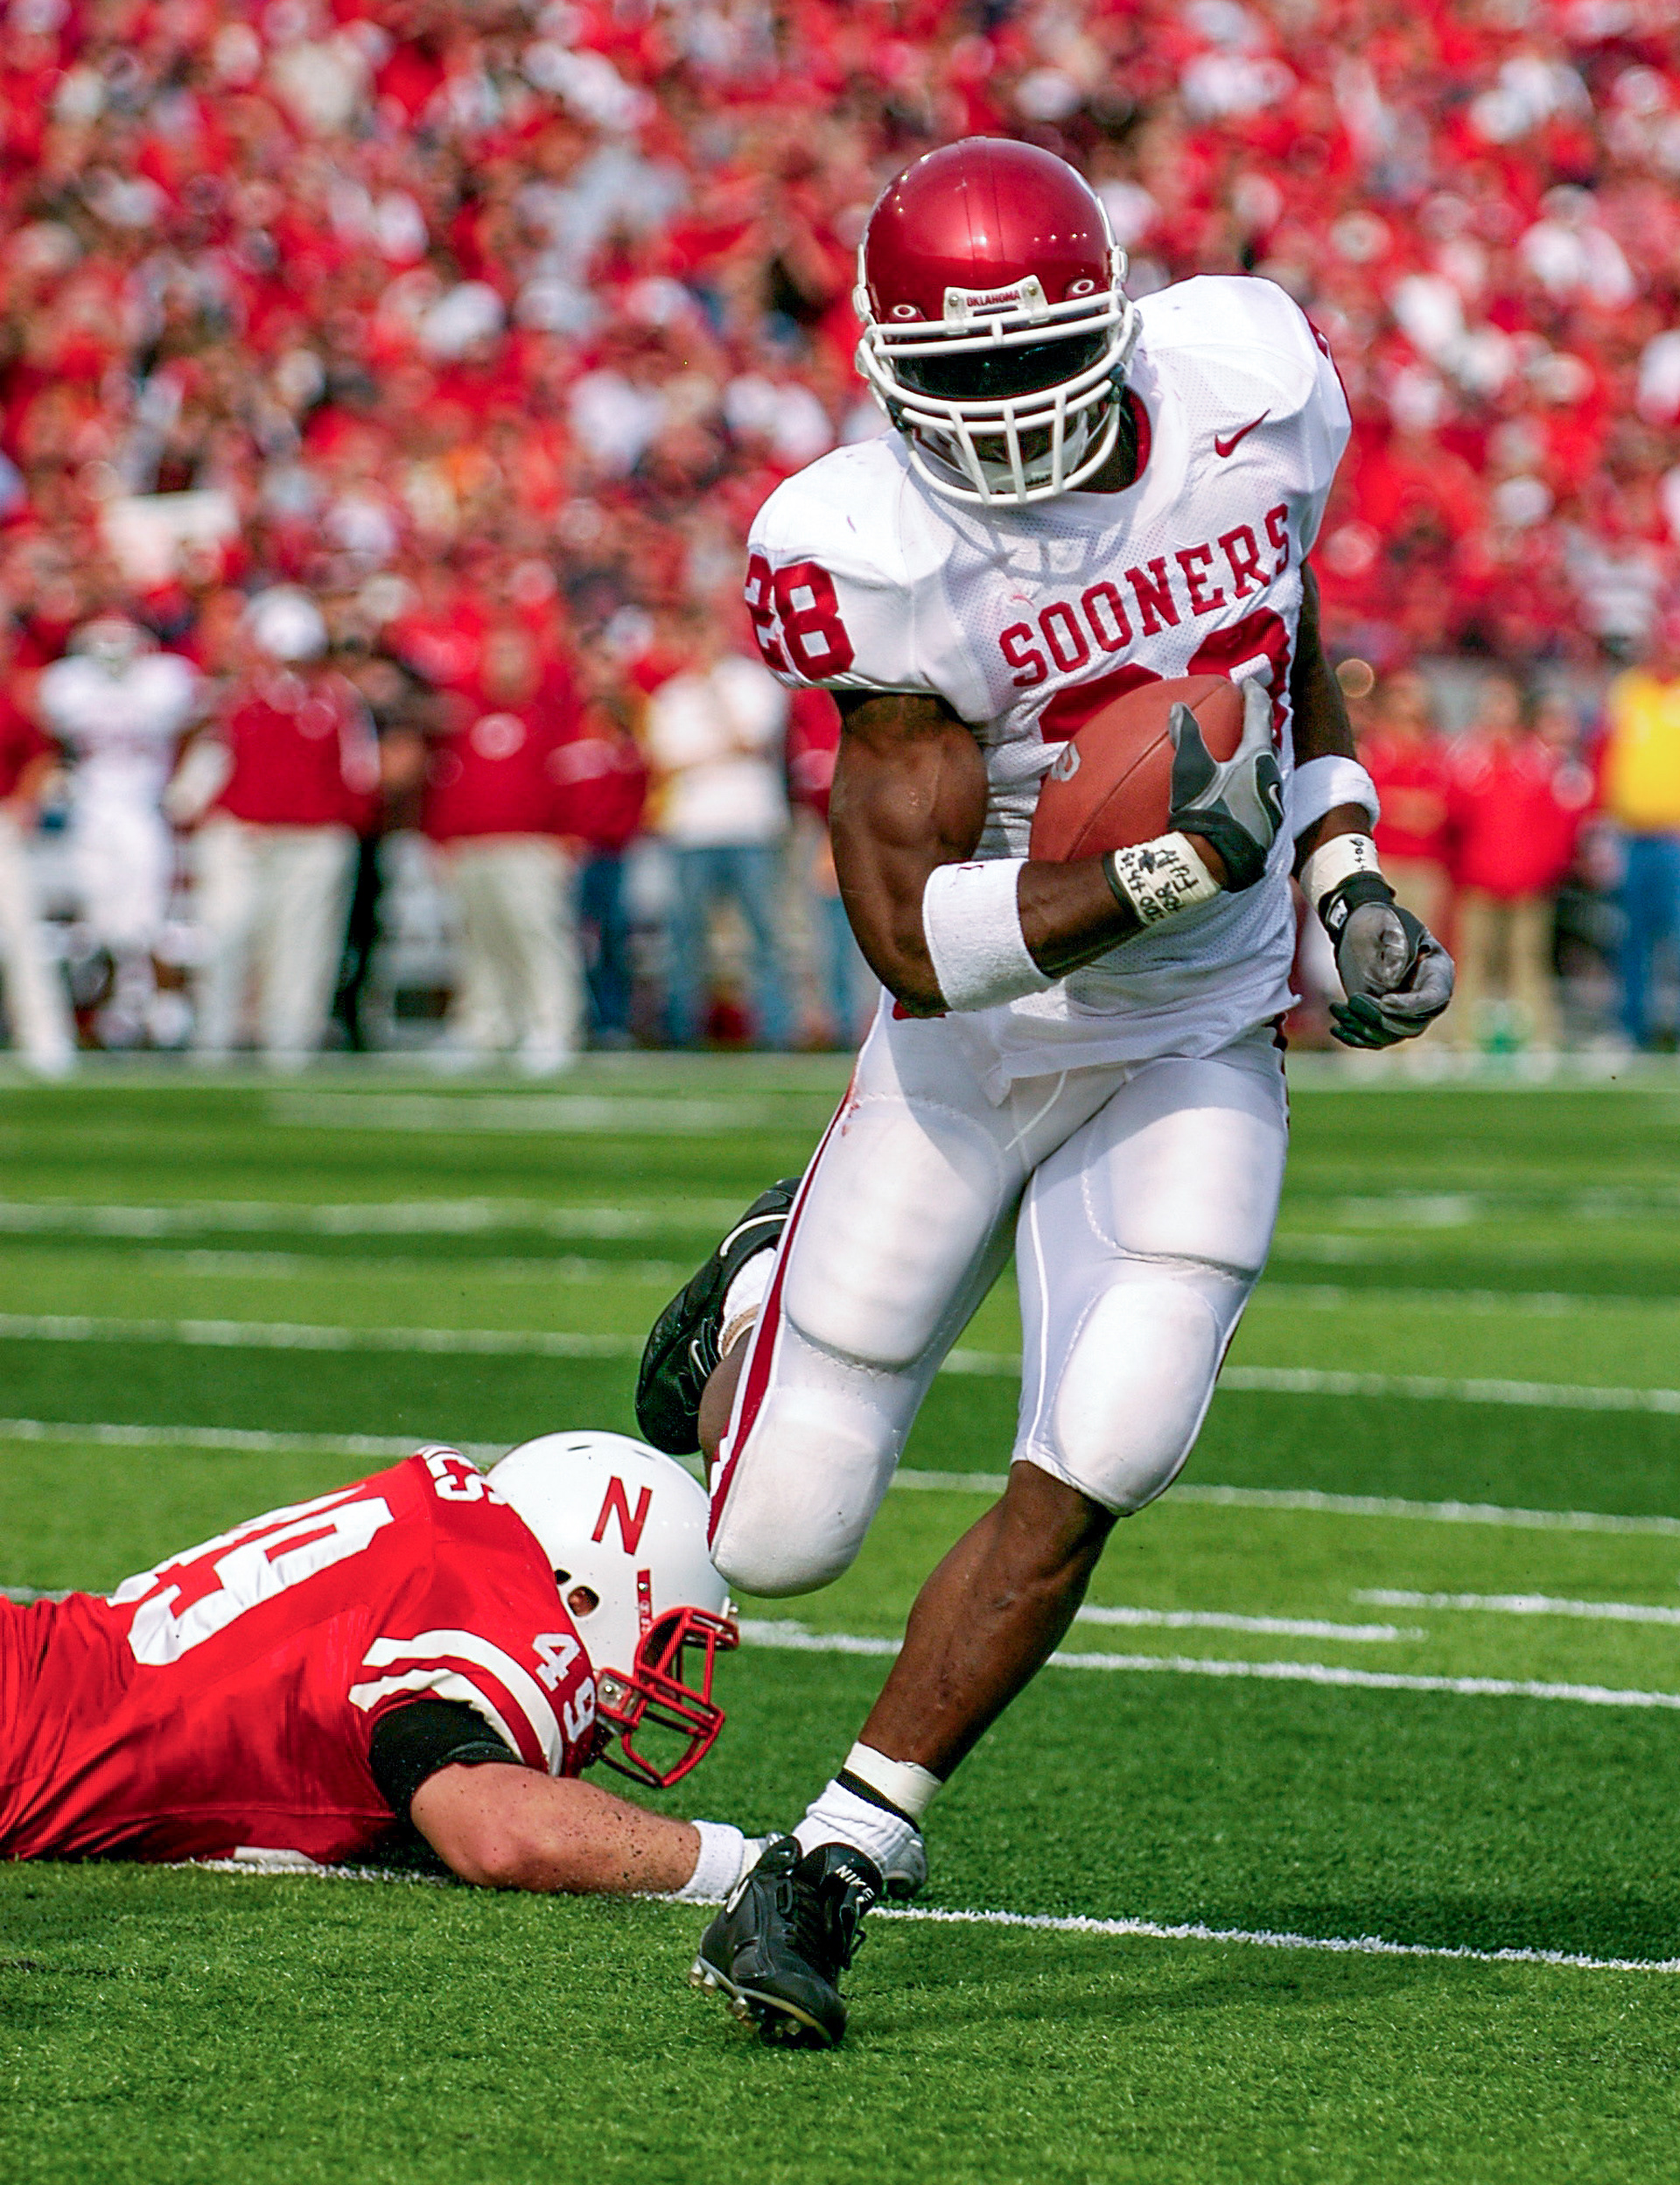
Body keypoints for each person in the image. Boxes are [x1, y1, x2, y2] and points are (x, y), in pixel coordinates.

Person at [638, 140, 1452, 2048]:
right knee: (775, 1537)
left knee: (1120, 1436)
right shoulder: (875, 546)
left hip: (1197, 1036)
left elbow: (1277, 632)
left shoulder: (1247, 388)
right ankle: (767, 1272)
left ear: (1118, 324)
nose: (1003, 411)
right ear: (882, 370)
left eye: (1036, 363)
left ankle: (836, 1860)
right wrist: (1170, 865)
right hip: (977, 1042)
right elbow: (906, 940)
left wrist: (1338, 866)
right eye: (963, 376)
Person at [0, 1432, 760, 1901]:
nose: (658, 1676)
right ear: (581, 1595)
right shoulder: (482, 1611)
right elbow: (506, 1833)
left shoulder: (452, 1541)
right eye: (662, 1643)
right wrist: (746, 1862)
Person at [183, 589, 380, 1065]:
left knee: (302, 949)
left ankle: (290, 1047)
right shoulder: (234, 700)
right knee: (226, 935)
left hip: (312, 841)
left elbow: (361, 776)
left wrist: (337, 825)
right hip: (245, 839)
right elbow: (209, 767)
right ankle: (213, 1040)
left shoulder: (338, 702)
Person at [421, 620, 585, 1075]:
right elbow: (448, 784)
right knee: (479, 942)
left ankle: (552, 1026)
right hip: (473, 847)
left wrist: (568, 839)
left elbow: (569, 783)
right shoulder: (464, 718)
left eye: (513, 654)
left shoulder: (551, 717)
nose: (504, 665)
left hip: (528, 847)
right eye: (497, 654)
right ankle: (484, 1026)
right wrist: (442, 838)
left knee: (536, 938)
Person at [34, 615, 201, 1048]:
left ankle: (143, 1011)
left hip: (142, 812)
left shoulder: (165, 682)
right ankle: (111, 1012)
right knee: (100, 923)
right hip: (90, 815)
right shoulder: (68, 685)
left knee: (144, 921)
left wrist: (179, 786)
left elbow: (198, 727)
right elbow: (48, 737)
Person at [641, 604, 792, 1050]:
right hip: (692, 831)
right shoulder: (670, 696)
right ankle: (685, 1035)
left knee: (763, 936)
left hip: (750, 828)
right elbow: (666, 761)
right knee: (686, 937)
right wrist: (724, 749)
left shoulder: (755, 683)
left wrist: (713, 694)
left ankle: (775, 1033)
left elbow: (750, 738)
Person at [1445, 672, 1591, 1053]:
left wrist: (1543, 871)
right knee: (1472, 963)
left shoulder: (1539, 760)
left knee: (1528, 963)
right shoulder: (1467, 758)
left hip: (1529, 884)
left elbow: (1559, 824)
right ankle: (1464, 1041)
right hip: (1477, 880)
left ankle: (1539, 1040)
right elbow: (1452, 816)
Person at [1600, 610, 1680, 1050]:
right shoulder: (1629, 690)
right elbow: (1608, 754)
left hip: (1674, 837)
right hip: (1631, 836)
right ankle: (1633, 1028)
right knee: (1631, 937)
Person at [0, 630, 75, 1074]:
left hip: (3, 825)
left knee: (23, 933)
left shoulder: (13, 705)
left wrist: (24, 802)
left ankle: (45, 1039)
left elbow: (40, 756)